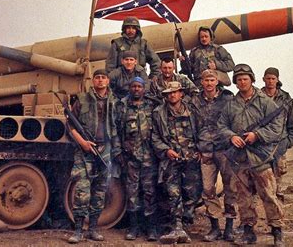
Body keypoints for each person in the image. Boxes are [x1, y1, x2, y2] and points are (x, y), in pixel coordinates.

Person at [217, 64, 285, 246]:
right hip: (239, 159)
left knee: (269, 196)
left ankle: (277, 231)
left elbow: (277, 127)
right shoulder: (231, 105)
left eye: (245, 79)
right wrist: (231, 137)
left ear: (252, 80)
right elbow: (221, 126)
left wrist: (258, 135)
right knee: (244, 198)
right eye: (238, 79)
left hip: (260, 158)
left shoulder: (265, 102)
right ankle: (248, 231)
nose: (241, 82)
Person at [67, 69, 116, 244]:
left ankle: (93, 229)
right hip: (85, 150)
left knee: (100, 191)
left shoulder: (114, 101)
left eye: (103, 78)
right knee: (82, 191)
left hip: (105, 150)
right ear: (93, 81)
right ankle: (78, 231)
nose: (100, 80)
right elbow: (70, 125)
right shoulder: (82, 99)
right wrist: (83, 143)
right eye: (97, 78)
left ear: (108, 81)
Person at [151, 81, 202, 244]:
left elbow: (202, 131)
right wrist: (166, 150)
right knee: (173, 193)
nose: (172, 95)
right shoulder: (159, 113)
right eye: (169, 93)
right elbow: (155, 137)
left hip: (191, 159)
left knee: (192, 193)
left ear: (181, 93)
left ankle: (185, 221)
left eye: (176, 92)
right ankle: (177, 225)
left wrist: (201, 149)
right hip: (171, 159)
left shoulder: (192, 111)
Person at [190, 69, 237, 242]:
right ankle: (215, 227)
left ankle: (230, 228)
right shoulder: (195, 101)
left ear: (217, 81)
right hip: (205, 150)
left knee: (230, 188)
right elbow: (192, 126)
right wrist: (196, 147)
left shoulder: (227, 99)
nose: (209, 83)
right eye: (206, 80)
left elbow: (235, 120)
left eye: (212, 80)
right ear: (201, 82)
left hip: (225, 149)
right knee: (208, 189)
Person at [112, 77, 159, 241]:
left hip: (150, 158)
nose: (136, 89)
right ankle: (134, 227)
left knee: (150, 193)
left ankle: (151, 228)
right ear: (130, 88)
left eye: (139, 86)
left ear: (144, 89)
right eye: (134, 86)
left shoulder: (153, 105)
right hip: (130, 158)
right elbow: (115, 131)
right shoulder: (122, 107)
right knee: (132, 194)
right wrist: (118, 151)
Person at [262, 67, 293, 202]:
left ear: (277, 80)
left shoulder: (285, 98)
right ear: (263, 79)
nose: (270, 81)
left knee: (278, 177)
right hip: (260, 144)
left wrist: (288, 142)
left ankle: (278, 210)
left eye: (273, 79)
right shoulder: (258, 96)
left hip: (280, 144)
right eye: (268, 78)